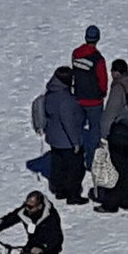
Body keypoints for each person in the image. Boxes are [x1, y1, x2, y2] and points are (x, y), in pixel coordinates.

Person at [94, 58, 128, 213]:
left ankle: (111, 203)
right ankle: (127, 200)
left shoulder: (118, 89)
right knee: (127, 167)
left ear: (115, 72)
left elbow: (110, 114)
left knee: (112, 169)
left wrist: (103, 136)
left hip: (117, 132)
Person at [43, 66, 87, 205]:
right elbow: (69, 123)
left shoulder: (50, 94)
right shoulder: (66, 99)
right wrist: (76, 142)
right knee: (74, 168)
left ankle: (60, 190)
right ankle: (73, 194)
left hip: (54, 138)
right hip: (66, 140)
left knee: (58, 165)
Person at [71, 24, 110, 172]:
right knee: (94, 131)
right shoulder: (98, 59)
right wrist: (102, 93)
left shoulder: (76, 54)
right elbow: (102, 81)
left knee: (78, 129)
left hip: (79, 98)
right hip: (94, 101)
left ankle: (77, 158)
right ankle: (91, 161)